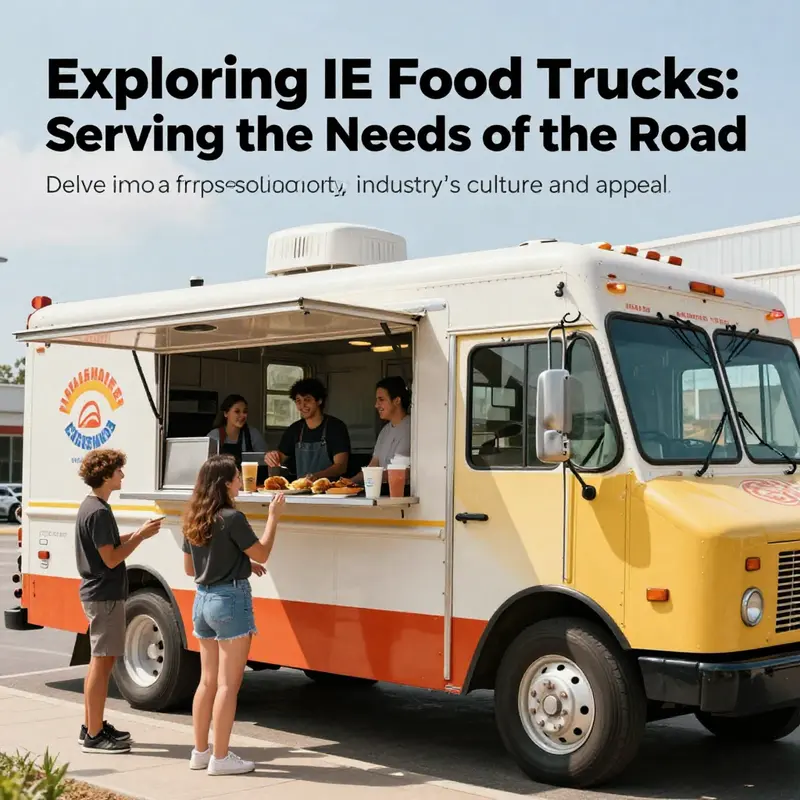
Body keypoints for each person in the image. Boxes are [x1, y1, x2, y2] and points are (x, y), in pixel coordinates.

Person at [181, 454, 286, 776]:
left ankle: (201, 753)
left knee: (207, 682)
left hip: (202, 600)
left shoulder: (195, 516)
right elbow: (263, 551)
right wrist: (273, 517)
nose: (241, 481)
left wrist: (240, 562)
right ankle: (221, 758)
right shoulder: (233, 518)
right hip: (230, 600)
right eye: (237, 477)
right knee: (228, 685)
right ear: (226, 483)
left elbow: (190, 569)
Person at [75, 448, 164, 754]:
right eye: (118, 471)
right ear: (105, 476)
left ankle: (91, 726)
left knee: (97, 663)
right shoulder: (99, 512)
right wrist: (140, 538)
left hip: (98, 595)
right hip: (106, 597)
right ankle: (95, 735)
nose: (122, 475)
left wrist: (138, 532)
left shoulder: (91, 506)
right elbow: (111, 558)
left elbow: (107, 546)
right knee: (102, 665)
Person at [265, 378, 351, 482]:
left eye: (307, 400)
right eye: (298, 401)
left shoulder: (336, 427)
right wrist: (272, 457)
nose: (302, 406)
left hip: (331, 489)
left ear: (319, 401)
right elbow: (279, 458)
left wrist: (316, 477)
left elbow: (341, 466)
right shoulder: (294, 429)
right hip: (301, 489)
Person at [353, 377, 412, 486]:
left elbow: (399, 473)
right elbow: (373, 465)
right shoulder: (385, 430)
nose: (376, 405)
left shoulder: (410, 429)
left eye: (381, 399)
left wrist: (370, 476)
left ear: (397, 400)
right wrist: (349, 482)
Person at [207, 394, 267, 468]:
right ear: (226, 413)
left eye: (245, 411)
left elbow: (264, 459)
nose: (242, 415)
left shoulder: (253, 434)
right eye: (237, 411)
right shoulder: (214, 436)